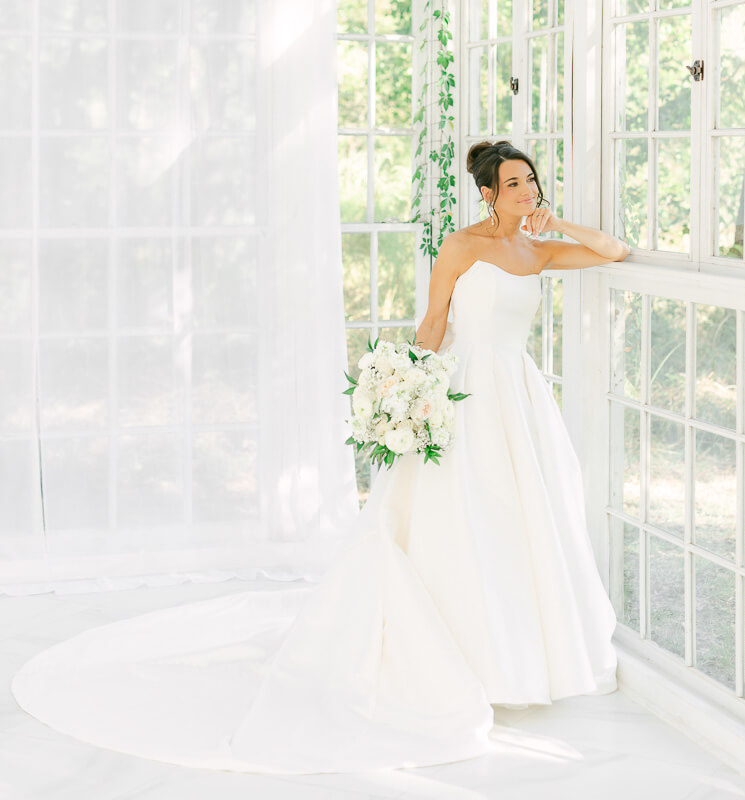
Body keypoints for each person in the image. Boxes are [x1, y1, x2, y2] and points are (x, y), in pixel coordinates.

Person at [11, 139, 631, 776]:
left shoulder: (539, 250)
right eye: (513, 185)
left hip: (518, 398)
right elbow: (433, 323)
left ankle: (524, 654)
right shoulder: (462, 247)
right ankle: (463, 654)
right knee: (462, 518)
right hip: (466, 392)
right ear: (487, 194)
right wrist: (410, 390)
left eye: (530, 181)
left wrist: (555, 223)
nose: (527, 192)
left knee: (518, 520)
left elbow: (614, 251)